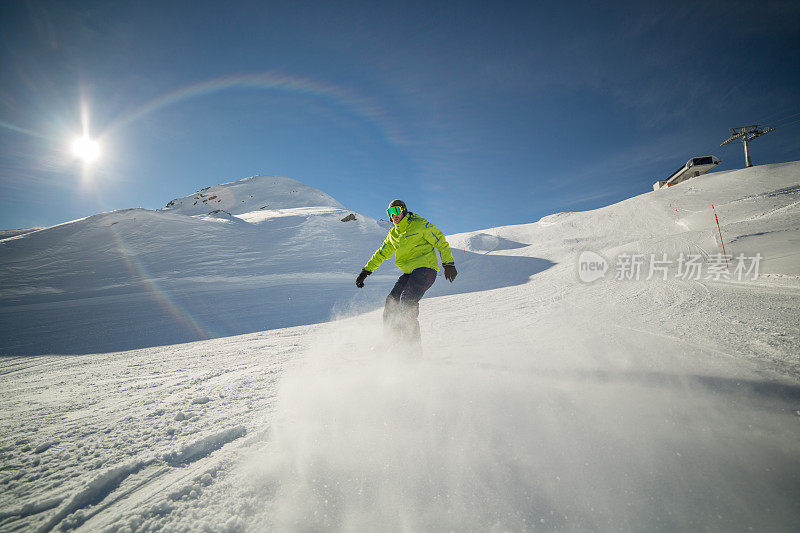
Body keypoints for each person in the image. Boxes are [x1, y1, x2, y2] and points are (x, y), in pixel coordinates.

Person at [355, 199, 457, 348]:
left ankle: (412, 350)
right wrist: (366, 271)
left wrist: (448, 263)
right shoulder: (393, 234)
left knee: (406, 302)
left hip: (426, 268)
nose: (394, 215)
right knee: (392, 301)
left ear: (404, 210)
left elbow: (440, 240)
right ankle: (392, 342)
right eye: (390, 212)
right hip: (410, 272)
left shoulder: (419, 224)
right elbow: (381, 253)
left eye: (396, 211)